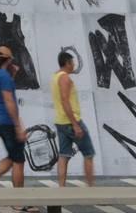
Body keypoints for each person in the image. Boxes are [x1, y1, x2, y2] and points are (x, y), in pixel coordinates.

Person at [0, 45, 38, 211]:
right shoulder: (4, 77)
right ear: (9, 60)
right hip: (8, 123)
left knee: (12, 156)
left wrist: (12, 74)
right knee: (19, 161)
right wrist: (18, 127)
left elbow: (4, 91)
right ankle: (18, 201)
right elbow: (9, 102)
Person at [53, 49, 95, 187]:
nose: (74, 66)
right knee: (88, 154)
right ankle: (92, 190)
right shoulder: (65, 78)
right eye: (72, 63)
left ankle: (62, 189)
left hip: (60, 122)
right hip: (72, 122)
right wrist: (75, 124)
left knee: (64, 155)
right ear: (67, 63)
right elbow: (65, 101)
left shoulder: (55, 77)